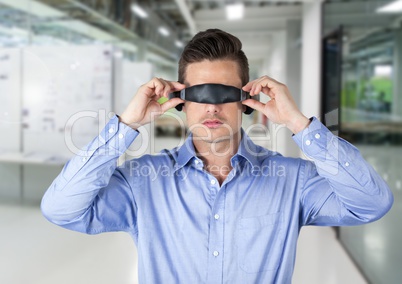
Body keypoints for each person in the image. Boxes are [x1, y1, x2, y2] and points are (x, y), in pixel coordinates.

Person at [41, 29, 393, 283]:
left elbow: (372, 203)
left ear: (246, 99)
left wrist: (300, 125)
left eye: (224, 93)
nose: (211, 106)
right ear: (180, 101)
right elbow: (61, 209)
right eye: (199, 94)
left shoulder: (293, 180)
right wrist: (126, 124)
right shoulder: (141, 182)